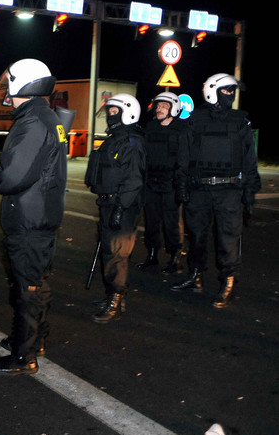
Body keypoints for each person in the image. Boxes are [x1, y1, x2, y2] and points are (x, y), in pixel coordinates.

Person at [0, 59, 68, 376]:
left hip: (30, 219)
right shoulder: (45, 116)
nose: (7, 91)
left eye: (11, 83)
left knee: (27, 289)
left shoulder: (33, 120)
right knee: (35, 284)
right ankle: (31, 339)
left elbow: (15, 174)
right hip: (40, 215)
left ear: (25, 84)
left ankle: (25, 356)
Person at [171, 73, 261, 308]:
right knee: (197, 236)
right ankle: (196, 276)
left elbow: (249, 160)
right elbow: (184, 156)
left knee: (228, 238)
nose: (230, 95)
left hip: (229, 191)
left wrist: (250, 191)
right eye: (226, 90)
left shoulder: (240, 122)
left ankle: (228, 282)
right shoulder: (195, 120)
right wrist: (181, 184)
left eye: (233, 91)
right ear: (212, 91)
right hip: (199, 190)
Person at [84, 93, 146, 323]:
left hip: (123, 206)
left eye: (113, 111)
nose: (110, 116)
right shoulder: (114, 138)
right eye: (109, 111)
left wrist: (120, 207)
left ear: (127, 112)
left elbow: (134, 179)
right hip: (109, 202)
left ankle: (116, 299)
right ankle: (113, 294)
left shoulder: (132, 141)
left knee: (117, 254)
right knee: (109, 252)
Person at [137, 91, 187, 274]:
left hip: (171, 184)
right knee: (151, 222)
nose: (159, 109)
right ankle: (152, 255)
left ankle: (175, 258)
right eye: (158, 106)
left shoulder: (183, 129)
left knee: (172, 223)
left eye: (164, 106)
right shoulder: (150, 128)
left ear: (174, 108)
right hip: (151, 183)